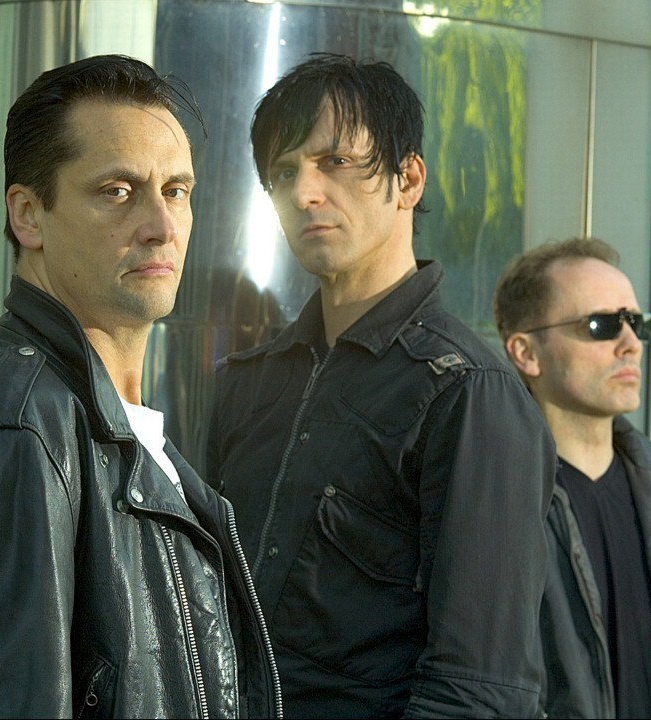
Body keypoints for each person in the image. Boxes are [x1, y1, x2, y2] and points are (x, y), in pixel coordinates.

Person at [0, 54, 282, 718]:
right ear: (28, 215)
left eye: (176, 190)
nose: (161, 225)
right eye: (118, 191)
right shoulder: (21, 431)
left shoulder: (97, 423)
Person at [206, 53, 554, 718]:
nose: (304, 193)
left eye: (335, 161)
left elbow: (479, 688)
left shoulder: (466, 392)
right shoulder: (246, 385)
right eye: (284, 172)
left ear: (408, 179)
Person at [492, 236, 651, 718]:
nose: (630, 344)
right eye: (601, 325)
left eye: (636, 323)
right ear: (526, 353)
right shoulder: (498, 506)